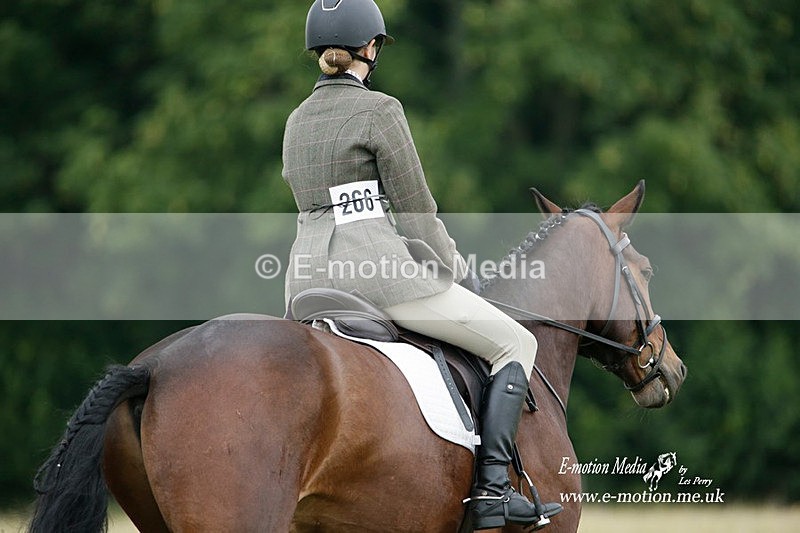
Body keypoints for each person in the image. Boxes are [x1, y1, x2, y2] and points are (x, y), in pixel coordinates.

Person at [282, 0, 562, 529]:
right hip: (378, 278)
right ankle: (493, 492)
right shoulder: (381, 111)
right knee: (515, 342)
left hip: (306, 282)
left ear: (318, 51)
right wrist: (457, 271)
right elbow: (416, 213)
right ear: (371, 48)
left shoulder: (295, 121)